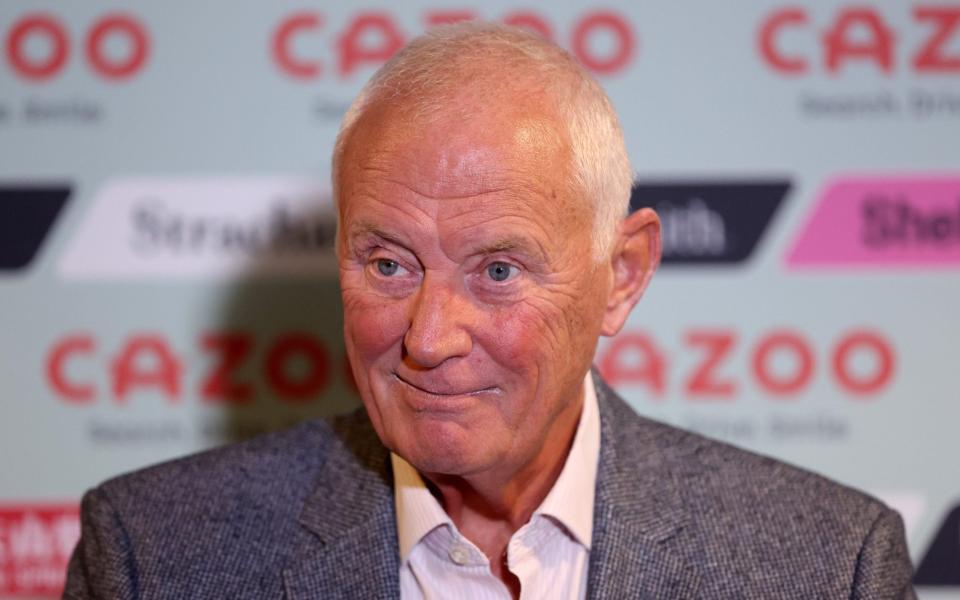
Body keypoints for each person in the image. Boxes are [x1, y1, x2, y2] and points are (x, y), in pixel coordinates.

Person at [65, 22, 915, 599]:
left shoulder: (823, 563)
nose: (428, 340)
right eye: (388, 264)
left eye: (498, 270)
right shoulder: (154, 555)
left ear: (621, 276)